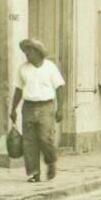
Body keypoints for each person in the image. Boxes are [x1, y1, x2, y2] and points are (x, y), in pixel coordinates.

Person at [9, 38, 65, 182]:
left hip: (46, 106)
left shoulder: (50, 67)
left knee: (45, 139)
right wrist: (13, 109)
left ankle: (51, 161)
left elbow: (59, 88)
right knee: (29, 141)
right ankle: (34, 173)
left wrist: (60, 109)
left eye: (30, 51)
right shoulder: (23, 69)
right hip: (28, 106)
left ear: (38, 52)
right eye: (26, 51)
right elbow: (18, 90)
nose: (27, 54)